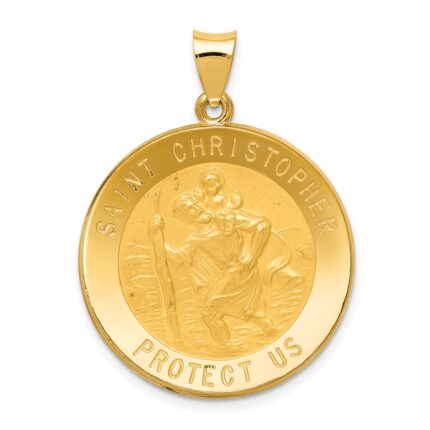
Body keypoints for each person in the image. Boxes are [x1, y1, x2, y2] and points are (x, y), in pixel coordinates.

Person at [149, 191, 276, 344]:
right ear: (186, 219)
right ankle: (233, 344)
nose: (198, 208)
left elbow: (262, 226)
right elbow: (179, 258)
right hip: (232, 273)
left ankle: (226, 347)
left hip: (241, 272)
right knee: (236, 311)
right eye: (191, 209)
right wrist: (157, 240)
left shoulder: (225, 219)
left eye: (196, 204)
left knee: (210, 312)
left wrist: (252, 255)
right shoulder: (195, 239)